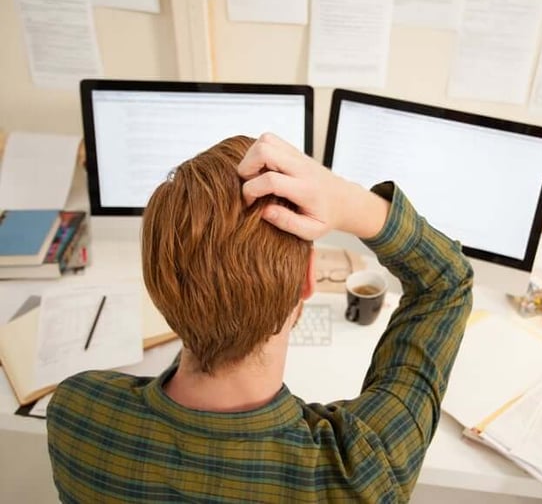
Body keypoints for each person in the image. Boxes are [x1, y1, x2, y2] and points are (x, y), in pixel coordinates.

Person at [46, 133, 473, 503]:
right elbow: (446, 283)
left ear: (159, 287)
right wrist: (348, 201)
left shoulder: (77, 415)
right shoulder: (361, 471)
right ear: (309, 279)